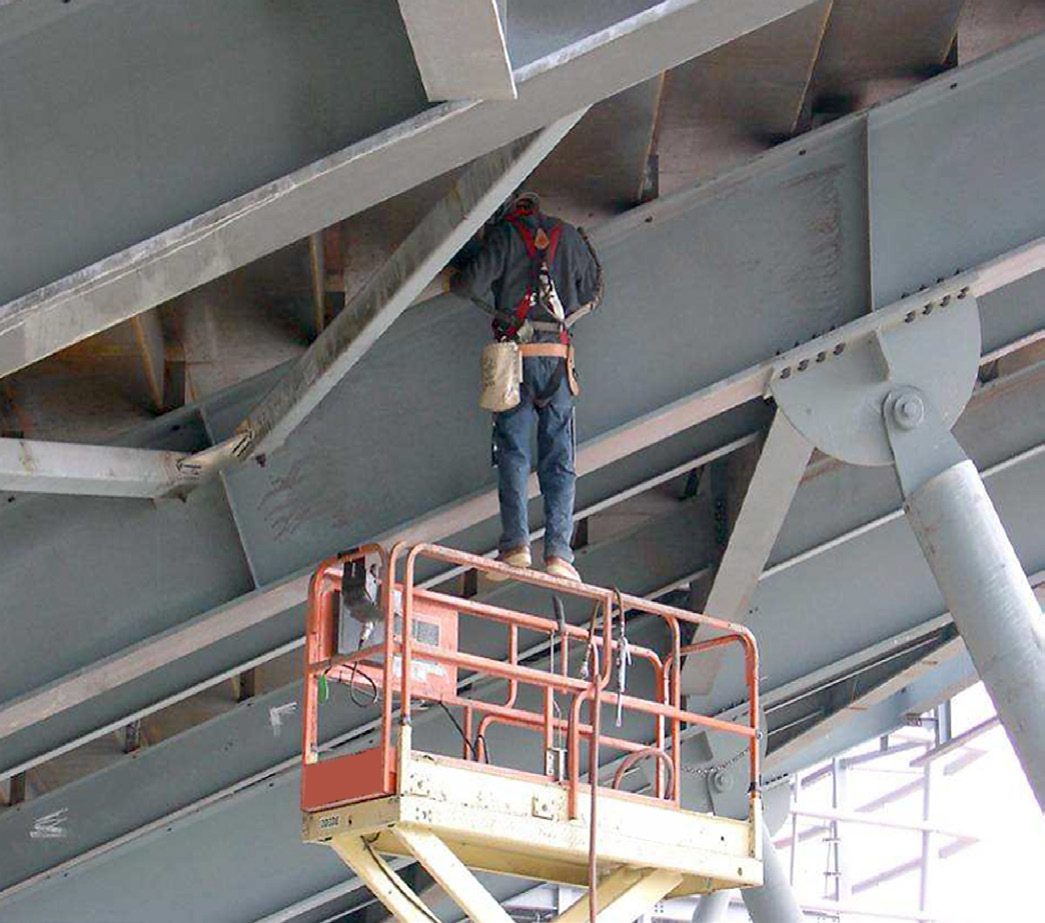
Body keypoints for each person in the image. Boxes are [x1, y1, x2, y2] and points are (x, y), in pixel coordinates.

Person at [453, 192, 603, 582]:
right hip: (557, 359)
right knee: (560, 458)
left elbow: (464, 285)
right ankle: (559, 553)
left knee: (513, 454)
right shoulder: (568, 236)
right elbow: (591, 292)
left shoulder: (503, 237)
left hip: (513, 360)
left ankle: (516, 546)